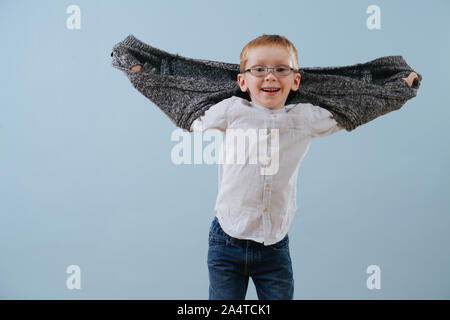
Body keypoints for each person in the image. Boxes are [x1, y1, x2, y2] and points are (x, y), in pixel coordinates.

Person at [129, 34, 418, 300]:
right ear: (243, 81)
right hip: (225, 242)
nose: (270, 75)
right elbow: (189, 110)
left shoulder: (305, 118)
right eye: (259, 69)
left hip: (274, 247)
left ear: (296, 81)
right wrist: (147, 77)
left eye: (281, 69)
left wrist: (397, 89)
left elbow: (354, 109)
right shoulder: (231, 110)